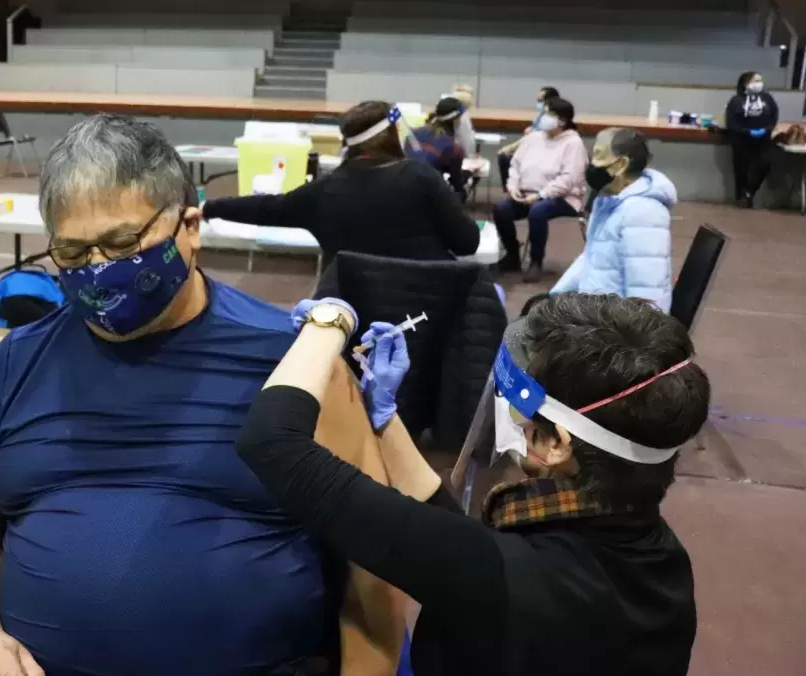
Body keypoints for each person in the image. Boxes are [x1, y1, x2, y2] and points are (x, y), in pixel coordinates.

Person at [0, 114, 406, 676]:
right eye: (73, 254)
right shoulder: (18, 360)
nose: (99, 270)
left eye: (122, 242)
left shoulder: (295, 364)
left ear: (190, 227)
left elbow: (375, 564)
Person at [237, 292, 710, 676]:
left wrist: (329, 320)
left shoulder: (512, 582)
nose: (511, 424)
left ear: (557, 444)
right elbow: (452, 536)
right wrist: (384, 416)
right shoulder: (656, 558)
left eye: (519, 415)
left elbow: (273, 444)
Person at [202, 101, 480, 269]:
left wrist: (208, 207)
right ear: (392, 134)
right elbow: (467, 242)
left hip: (351, 313)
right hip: (428, 306)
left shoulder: (322, 191)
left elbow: (265, 206)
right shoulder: (422, 178)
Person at [552, 128, 676, 311]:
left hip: (613, 327)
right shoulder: (610, 201)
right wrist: (554, 296)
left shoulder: (642, 213)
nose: (591, 163)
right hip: (594, 310)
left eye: (598, 155)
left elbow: (648, 297)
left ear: (621, 164)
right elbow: (591, 260)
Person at [493, 97, 588, 282]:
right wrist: (512, 186)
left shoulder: (573, 144)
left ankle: (536, 261)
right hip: (526, 193)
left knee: (538, 211)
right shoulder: (533, 138)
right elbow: (515, 164)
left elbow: (568, 180)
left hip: (563, 197)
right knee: (501, 209)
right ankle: (512, 255)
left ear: (562, 120)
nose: (543, 117)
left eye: (548, 114)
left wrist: (540, 195)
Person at [726, 71, 779, 208]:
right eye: (755, 81)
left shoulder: (767, 98)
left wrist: (766, 129)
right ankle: (742, 198)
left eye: (760, 80)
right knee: (742, 169)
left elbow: (774, 115)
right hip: (742, 140)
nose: (759, 83)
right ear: (746, 83)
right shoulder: (736, 100)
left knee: (765, 163)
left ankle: (749, 191)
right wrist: (746, 131)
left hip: (763, 140)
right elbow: (731, 121)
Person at [406, 96, 473, 196]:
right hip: (424, 195)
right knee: (461, 193)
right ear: (456, 120)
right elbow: (456, 183)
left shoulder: (412, 134)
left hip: (401, 188)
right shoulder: (453, 148)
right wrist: (468, 174)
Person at [497, 86, 561, 189]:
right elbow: (532, 132)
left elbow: (533, 136)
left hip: (542, 152)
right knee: (505, 157)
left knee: (506, 157)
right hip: (530, 147)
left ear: (549, 101)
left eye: (540, 100)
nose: (538, 103)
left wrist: (510, 147)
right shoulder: (541, 115)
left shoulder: (553, 119)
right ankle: (510, 190)